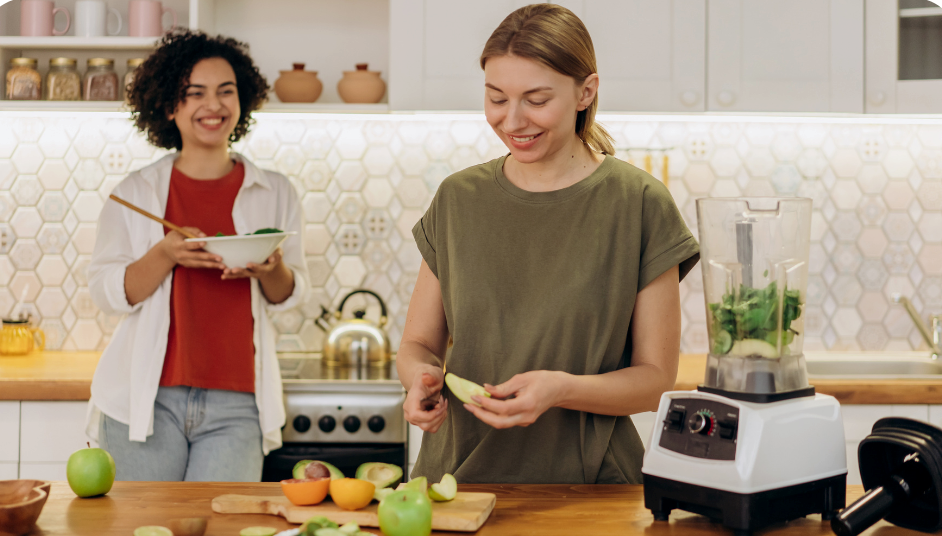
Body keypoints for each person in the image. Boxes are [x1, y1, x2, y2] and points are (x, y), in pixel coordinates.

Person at [397, 4, 700, 485]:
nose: (512, 120)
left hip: (591, 490)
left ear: (586, 91)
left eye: (536, 99)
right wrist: (420, 379)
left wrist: (560, 390)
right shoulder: (457, 199)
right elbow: (418, 344)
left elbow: (654, 380)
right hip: (455, 483)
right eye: (496, 98)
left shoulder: (640, 203)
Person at [86, 30, 308, 481]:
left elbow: (288, 294)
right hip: (145, 398)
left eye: (227, 91)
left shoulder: (276, 190)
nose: (214, 105)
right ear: (170, 106)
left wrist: (272, 268)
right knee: (143, 528)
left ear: (242, 100)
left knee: (223, 527)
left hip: (238, 402)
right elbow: (108, 293)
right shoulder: (136, 192)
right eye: (196, 94)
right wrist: (166, 253)